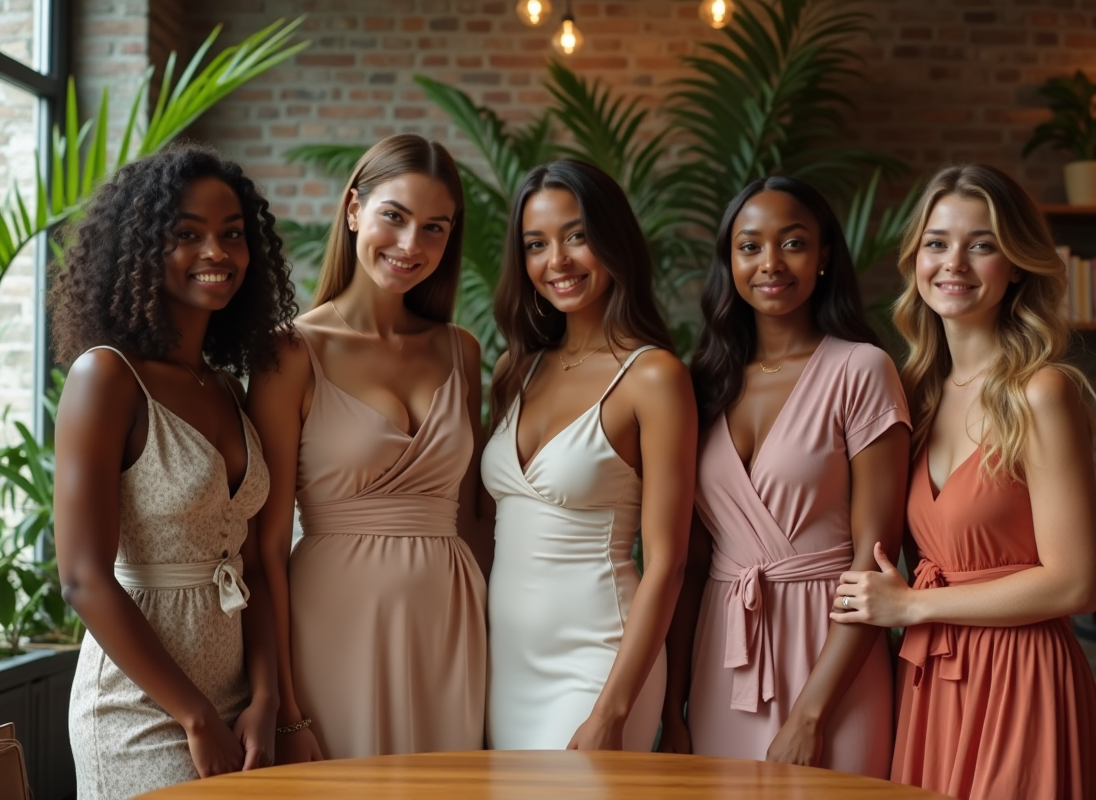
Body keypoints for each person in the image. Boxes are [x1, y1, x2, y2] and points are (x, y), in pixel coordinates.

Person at [834, 163, 1096, 799]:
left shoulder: (1041, 392)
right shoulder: (915, 396)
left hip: (1022, 680)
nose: (954, 263)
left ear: (1016, 264)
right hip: (935, 681)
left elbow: (1076, 582)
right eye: (937, 243)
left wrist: (911, 606)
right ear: (915, 262)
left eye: (981, 244)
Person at [52, 144, 296, 799]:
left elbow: (246, 564)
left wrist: (266, 699)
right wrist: (191, 714)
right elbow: (81, 578)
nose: (215, 252)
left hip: (238, 705)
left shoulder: (225, 387)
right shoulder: (105, 378)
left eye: (232, 234)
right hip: (140, 712)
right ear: (140, 249)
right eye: (187, 234)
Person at [658, 176, 910, 775]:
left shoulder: (861, 370)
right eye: (749, 246)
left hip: (833, 658)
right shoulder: (703, 383)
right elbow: (690, 566)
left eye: (792, 243)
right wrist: (672, 707)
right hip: (725, 656)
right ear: (729, 261)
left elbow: (876, 560)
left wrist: (810, 715)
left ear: (824, 256)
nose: (770, 262)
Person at [248, 134, 488, 761]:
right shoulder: (289, 352)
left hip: (450, 618)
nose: (412, 245)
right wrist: (286, 708)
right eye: (395, 216)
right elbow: (266, 545)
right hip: (332, 621)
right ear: (354, 209)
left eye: (434, 228)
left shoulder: (462, 351)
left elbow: (471, 520)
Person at [482, 159, 697, 751]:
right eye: (536, 244)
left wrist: (612, 712)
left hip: (600, 660)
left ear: (613, 240)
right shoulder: (514, 369)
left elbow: (668, 563)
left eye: (577, 236)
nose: (558, 261)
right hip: (506, 663)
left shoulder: (653, 376)